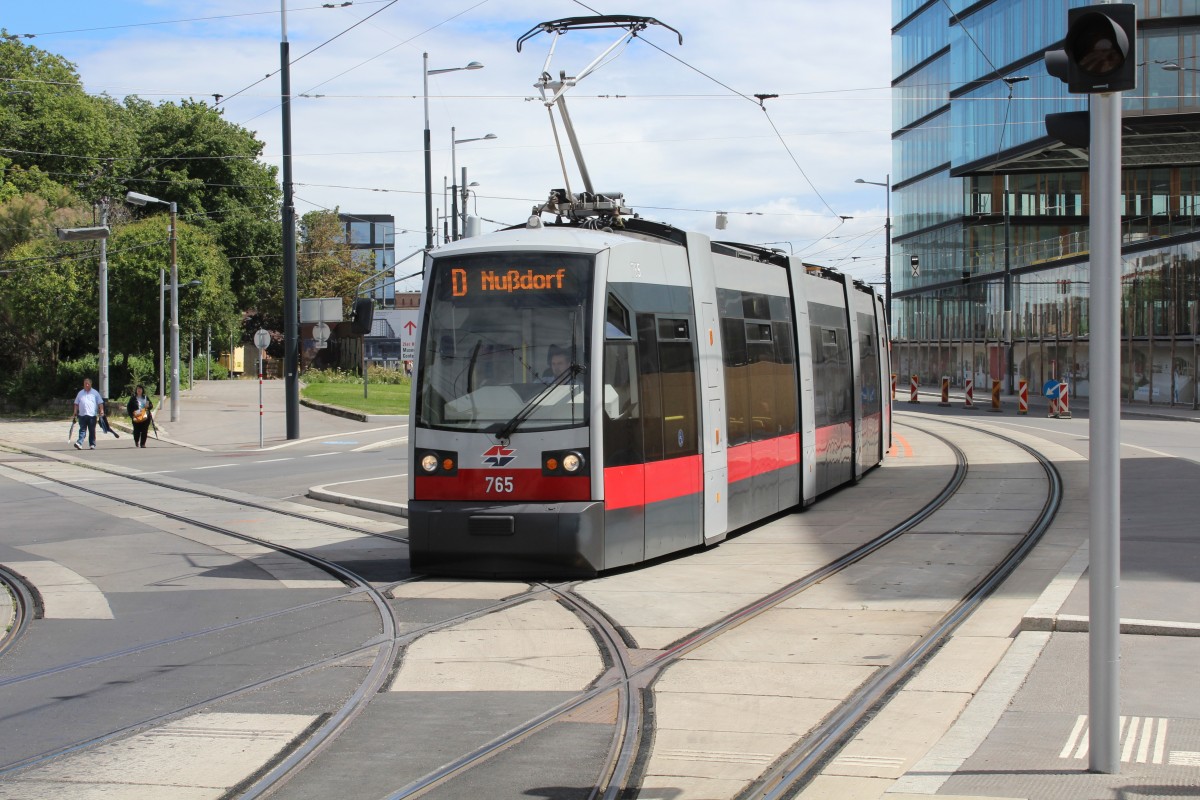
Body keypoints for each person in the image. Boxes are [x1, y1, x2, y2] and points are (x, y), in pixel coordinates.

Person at [73, 377, 105, 450]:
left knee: (92, 430)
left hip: (92, 415)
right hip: (82, 415)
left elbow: (100, 403)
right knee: (82, 430)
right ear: (83, 384)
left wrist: (102, 411)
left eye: (88, 384)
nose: (86, 385)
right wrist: (75, 411)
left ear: (91, 384)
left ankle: (92, 444)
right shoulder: (80, 393)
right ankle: (79, 443)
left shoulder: (95, 393)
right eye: (85, 384)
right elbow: (76, 403)